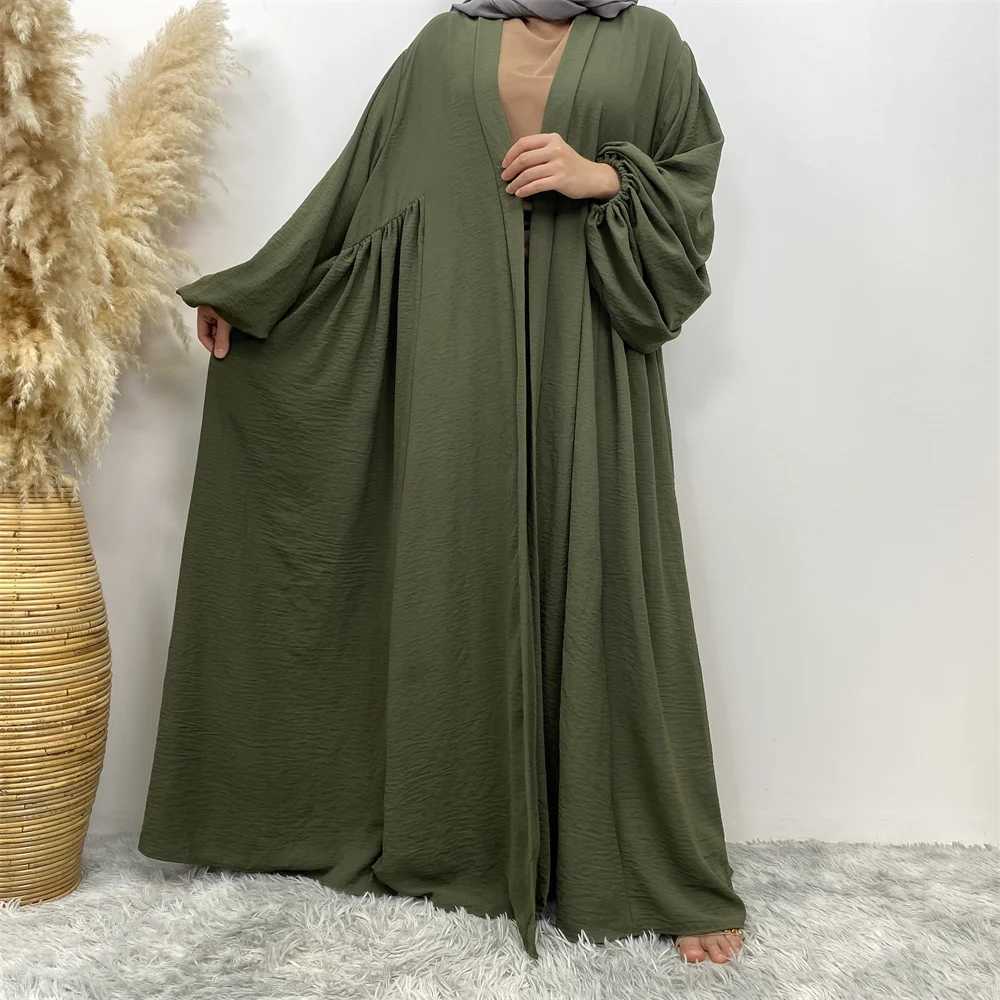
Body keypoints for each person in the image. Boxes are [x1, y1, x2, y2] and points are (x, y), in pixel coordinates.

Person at [139, 0, 746, 964]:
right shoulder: (444, 42)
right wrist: (261, 296)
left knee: (604, 586)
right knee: (455, 574)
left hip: (588, 348)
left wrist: (602, 178)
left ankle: (637, 864)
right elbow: (359, 193)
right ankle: (461, 832)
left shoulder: (651, 42)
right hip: (458, 345)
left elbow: (688, 197)